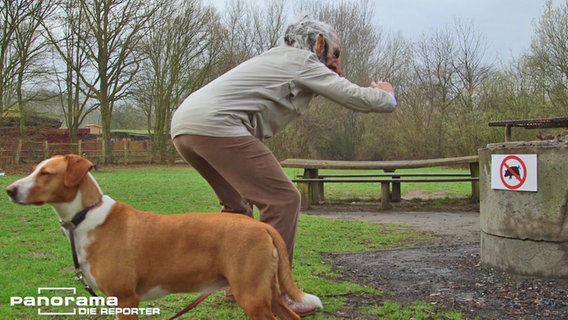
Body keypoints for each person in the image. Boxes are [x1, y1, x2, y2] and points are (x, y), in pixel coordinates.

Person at [171, 17, 396, 317]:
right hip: (217, 125)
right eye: (336, 54)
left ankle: (237, 285)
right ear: (319, 42)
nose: (338, 65)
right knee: (284, 199)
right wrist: (387, 94)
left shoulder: (277, 60)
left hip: (185, 127)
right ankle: (273, 293)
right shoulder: (301, 60)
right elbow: (357, 97)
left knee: (237, 208)